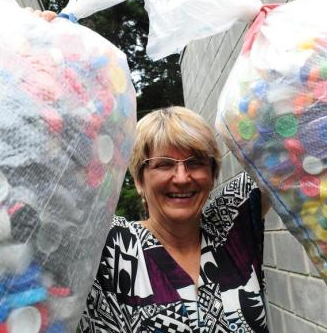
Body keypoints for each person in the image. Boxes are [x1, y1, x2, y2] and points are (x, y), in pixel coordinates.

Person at [79, 106, 270, 333]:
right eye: (164, 164)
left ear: (212, 174)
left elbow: (282, 153)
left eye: (195, 162)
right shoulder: (109, 246)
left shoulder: (230, 226)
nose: (181, 178)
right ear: (140, 180)